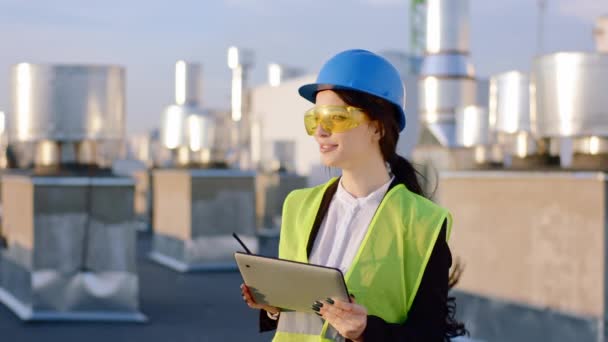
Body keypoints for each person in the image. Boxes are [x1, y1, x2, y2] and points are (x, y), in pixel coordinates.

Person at [241, 49, 467, 341]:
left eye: (335, 118)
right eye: (314, 118)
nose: (319, 131)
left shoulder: (423, 223)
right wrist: (272, 306)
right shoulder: (298, 206)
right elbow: (301, 318)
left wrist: (366, 331)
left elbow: (430, 335)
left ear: (378, 126)